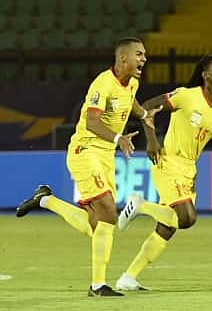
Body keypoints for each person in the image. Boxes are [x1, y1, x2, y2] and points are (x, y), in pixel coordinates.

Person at [15, 37, 160, 297]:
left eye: (144, 54)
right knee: (108, 212)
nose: (144, 59)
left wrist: (143, 114)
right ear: (123, 58)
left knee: (98, 225)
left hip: (105, 157)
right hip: (86, 151)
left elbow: (130, 102)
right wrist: (119, 138)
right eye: (139, 54)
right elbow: (92, 122)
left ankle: (46, 200)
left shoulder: (133, 83)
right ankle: (97, 286)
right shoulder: (102, 84)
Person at [114, 55, 212, 291]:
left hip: (189, 168)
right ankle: (139, 205)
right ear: (205, 74)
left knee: (168, 226)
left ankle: (128, 277)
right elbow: (148, 107)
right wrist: (151, 140)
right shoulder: (186, 95)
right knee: (187, 218)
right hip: (169, 160)